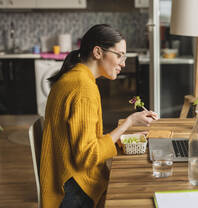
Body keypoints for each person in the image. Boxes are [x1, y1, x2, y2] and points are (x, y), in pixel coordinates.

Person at [40, 24, 157, 208]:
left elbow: (83, 142)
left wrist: (120, 138)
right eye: (119, 55)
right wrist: (128, 123)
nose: (123, 63)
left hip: (62, 180)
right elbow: (88, 156)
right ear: (97, 52)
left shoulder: (74, 77)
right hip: (74, 191)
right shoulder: (83, 88)